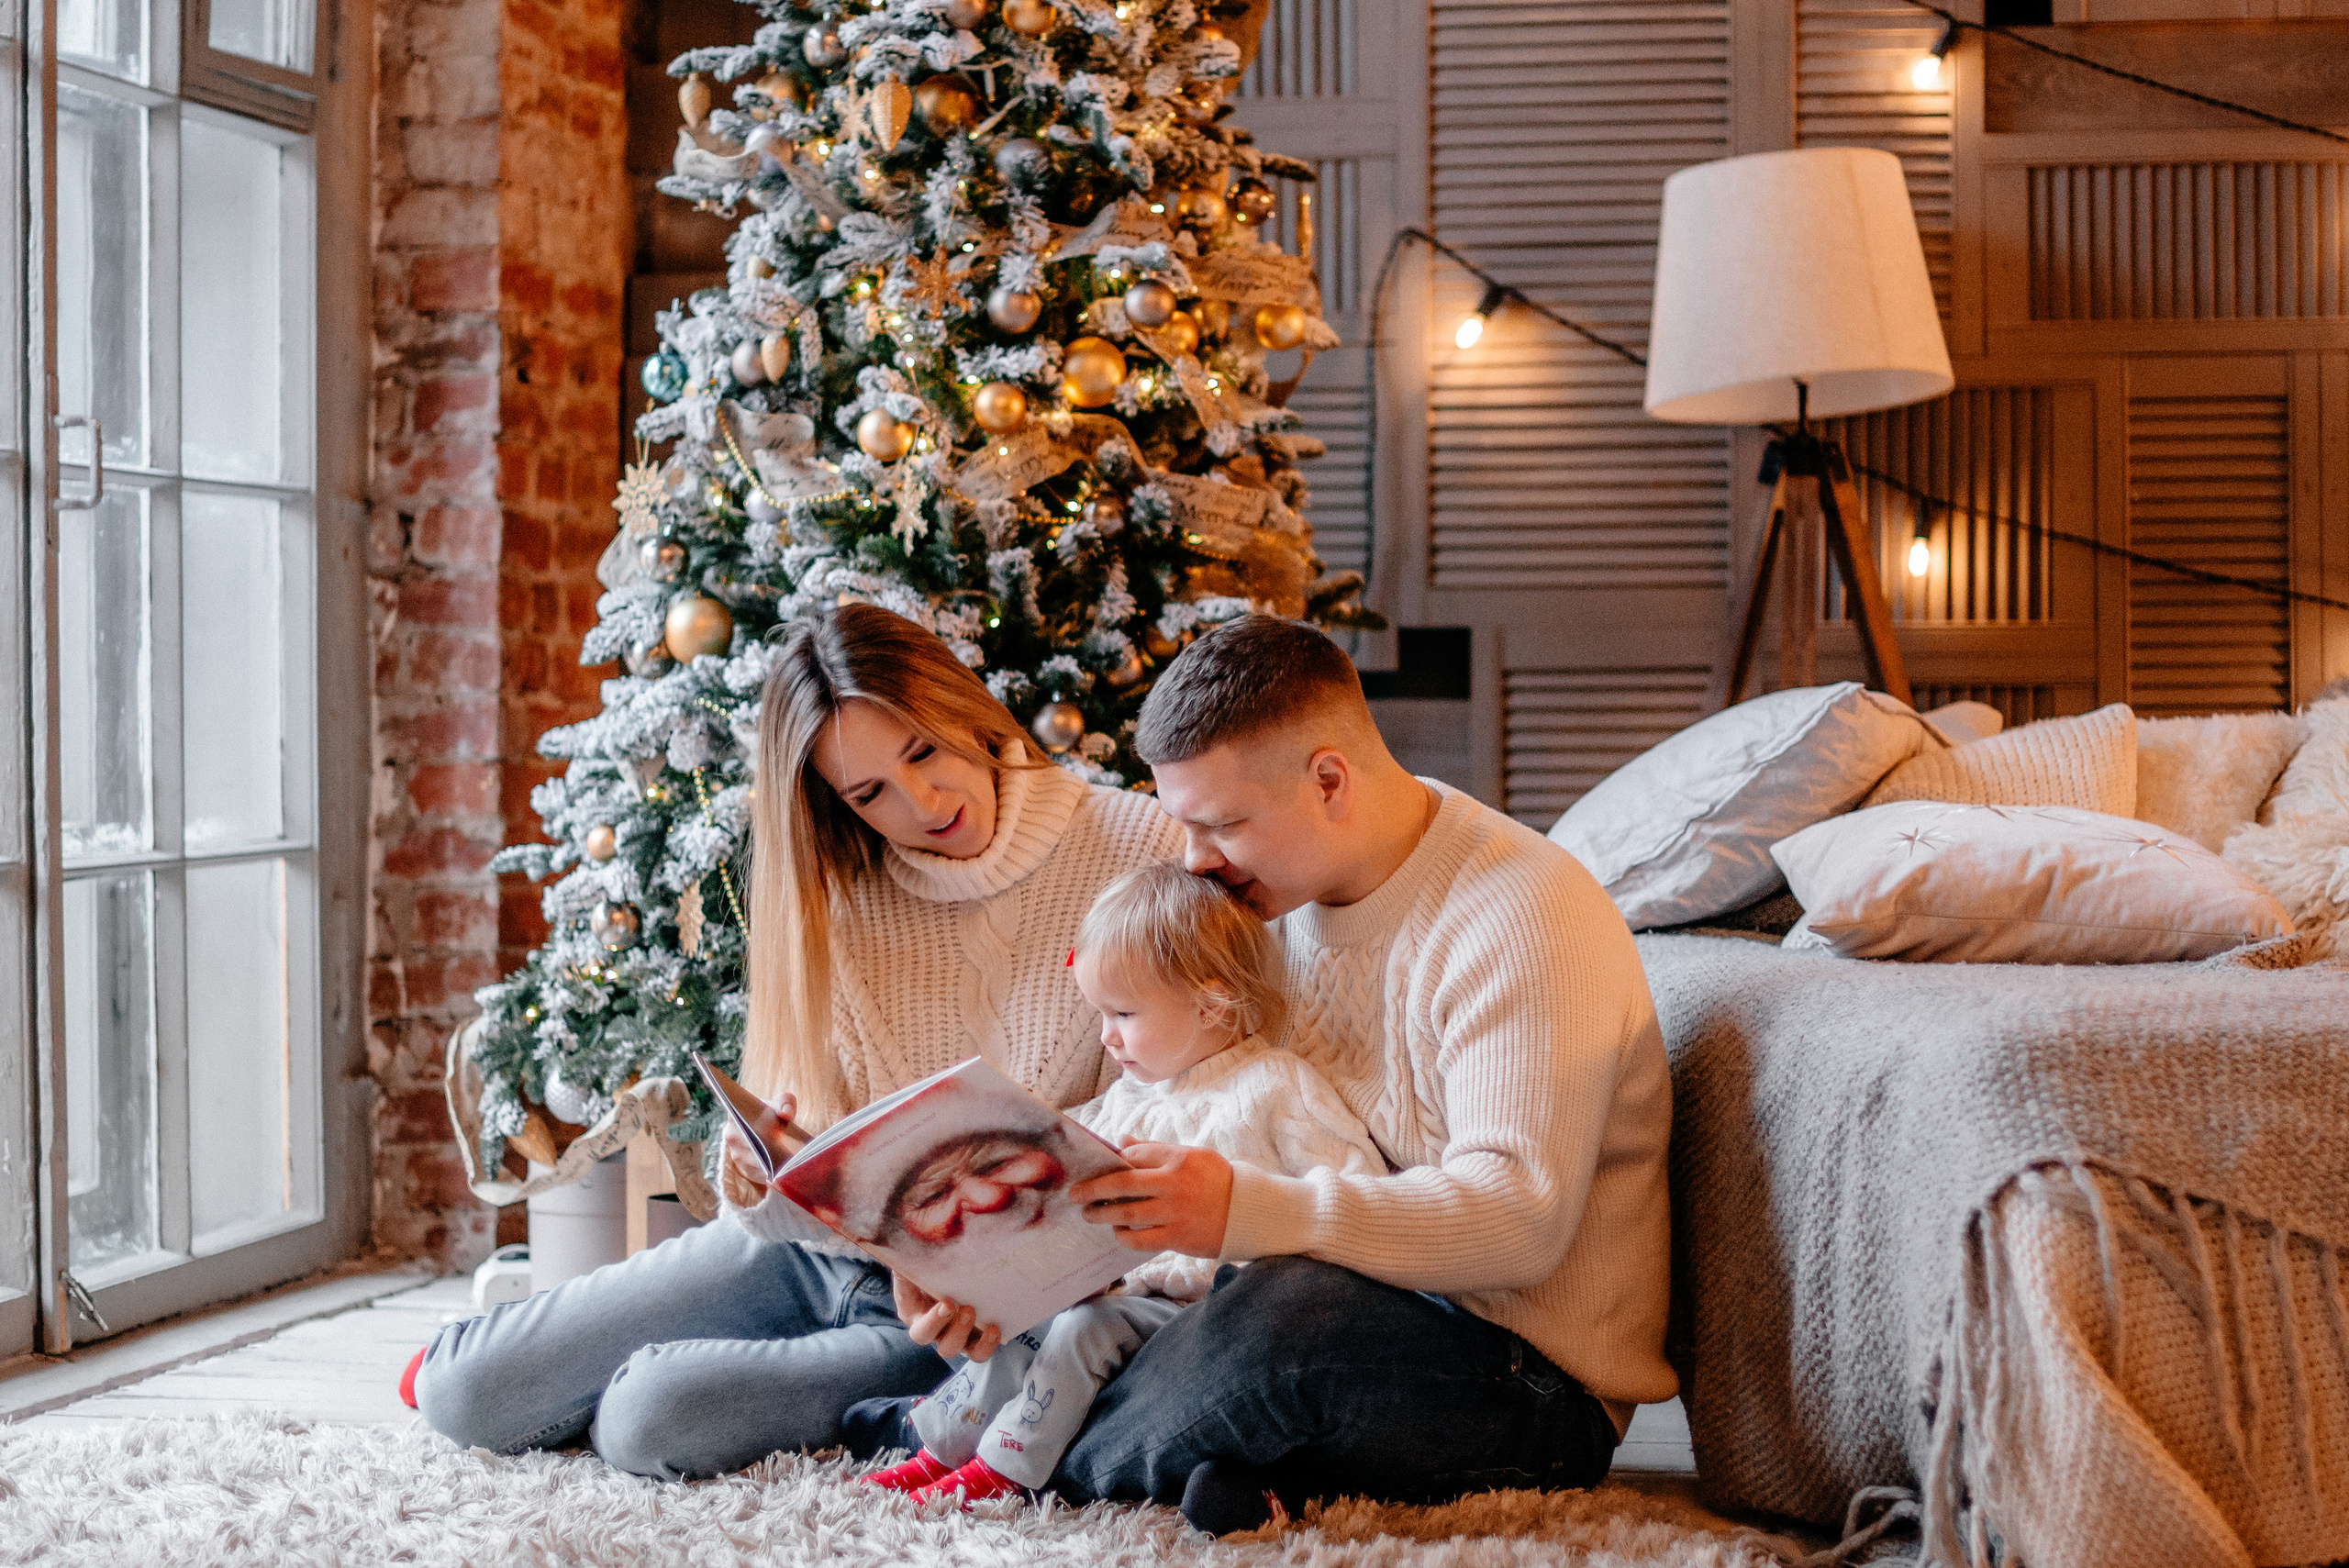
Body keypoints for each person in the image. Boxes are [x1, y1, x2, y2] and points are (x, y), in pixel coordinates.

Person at [409, 603, 1182, 1479]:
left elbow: (1196, 1102)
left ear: (961, 706)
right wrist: (757, 1171)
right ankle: (557, 1377)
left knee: (645, 1419)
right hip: (806, 1259)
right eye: (868, 793)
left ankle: (657, 1391)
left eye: (922, 751)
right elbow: (788, 1183)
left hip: (968, 1317)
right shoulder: (841, 886)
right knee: (461, 1395)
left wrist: (1001, 1267)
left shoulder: (1141, 843)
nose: (920, 804)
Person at [1050, 614, 1677, 1529]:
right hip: (1336, 1301)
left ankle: (1025, 1453)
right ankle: (1188, 1456)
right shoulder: (1267, 906)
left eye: (1220, 823)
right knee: (1124, 1310)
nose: (1194, 860)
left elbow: (1519, 1222)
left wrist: (1244, 1210)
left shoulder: (1520, 913)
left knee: (1285, 1316)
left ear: (1328, 779)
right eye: (1183, 825)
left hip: (1523, 1377)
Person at [859, 862, 1385, 1509]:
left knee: (1085, 1328)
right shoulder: (1121, 1100)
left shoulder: (1277, 1087)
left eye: (1124, 1013)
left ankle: (1004, 1470)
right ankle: (939, 1447)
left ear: (1210, 1002)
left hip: (1203, 1315)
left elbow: (1357, 1191)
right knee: (1031, 1323)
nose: (1106, 1035)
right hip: (1113, 1298)